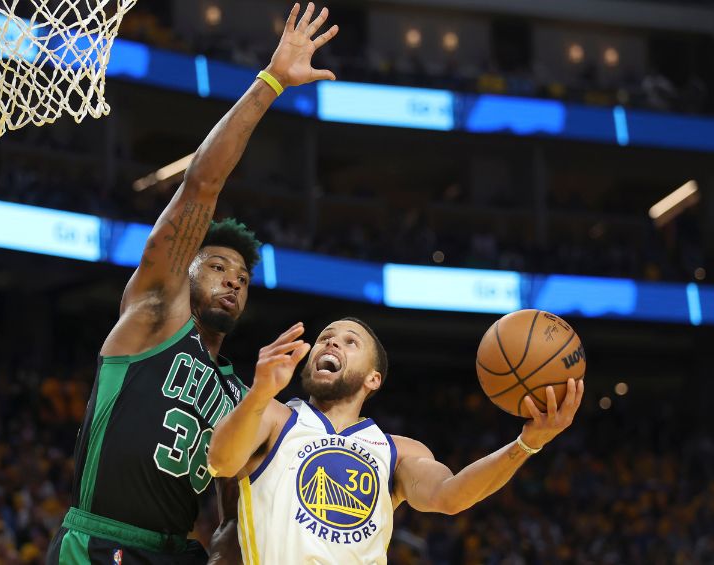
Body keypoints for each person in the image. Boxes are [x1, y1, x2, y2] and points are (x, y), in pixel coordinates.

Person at [46, 4, 339, 563]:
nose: (232, 282)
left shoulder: (242, 394)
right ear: (185, 269)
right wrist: (271, 82)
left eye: (243, 278)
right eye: (217, 267)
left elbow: (233, 520)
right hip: (103, 539)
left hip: (180, 552)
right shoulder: (155, 313)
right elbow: (202, 185)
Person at [207, 319, 584, 564]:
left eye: (349, 342)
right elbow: (221, 462)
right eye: (325, 339)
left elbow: (450, 497)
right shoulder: (273, 416)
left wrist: (527, 443)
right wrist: (258, 393)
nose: (331, 345)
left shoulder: (399, 450)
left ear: (373, 379)